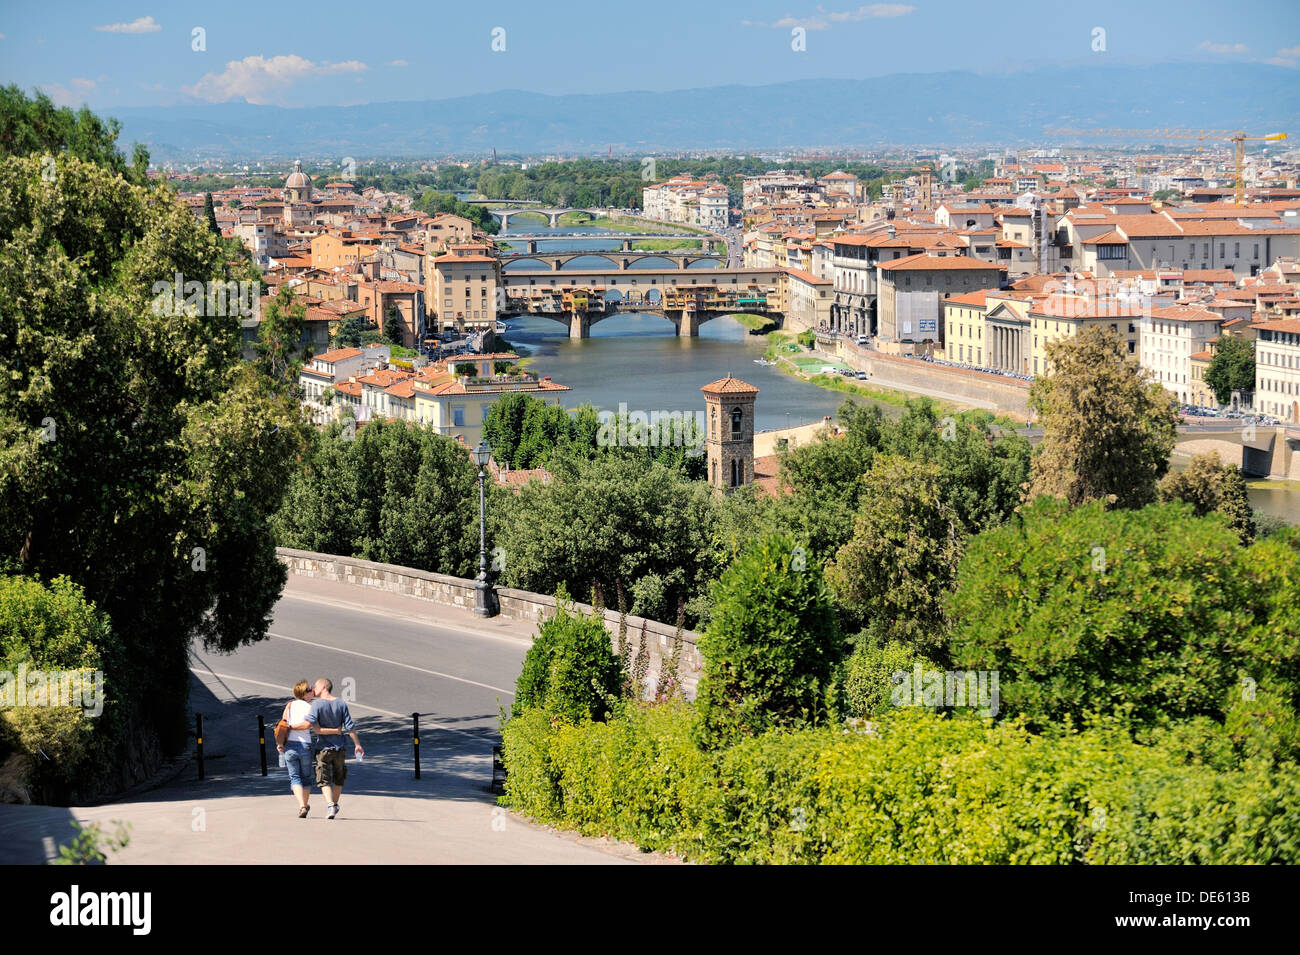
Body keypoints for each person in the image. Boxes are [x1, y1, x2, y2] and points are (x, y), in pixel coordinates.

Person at [306, 677, 363, 820]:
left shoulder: (317, 704)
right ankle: (335, 805)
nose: (314, 689)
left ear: (324, 687)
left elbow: (314, 727)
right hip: (340, 747)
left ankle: (331, 804)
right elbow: (350, 726)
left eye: (316, 686)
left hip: (323, 748)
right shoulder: (341, 703)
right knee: (339, 778)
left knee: (323, 778)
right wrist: (357, 744)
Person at [276, 680, 320, 818]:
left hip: (289, 744)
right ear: (304, 693)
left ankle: (302, 806)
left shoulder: (289, 705)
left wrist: (280, 743)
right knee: (305, 778)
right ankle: (304, 805)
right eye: (310, 689)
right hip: (304, 745)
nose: (312, 690)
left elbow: (283, 725)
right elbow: (308, 725)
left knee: (294, 777)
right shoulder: (310, 707)